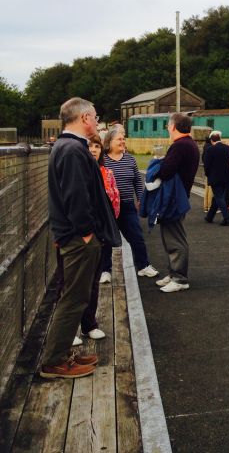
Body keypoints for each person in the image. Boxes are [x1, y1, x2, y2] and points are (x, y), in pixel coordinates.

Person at [40, 97, 120, 379]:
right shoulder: (73, 150)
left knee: (76, 296)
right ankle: (54, 361)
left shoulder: (65, 147)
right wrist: (86, 233)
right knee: (74, 298)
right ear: (85, 118)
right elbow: (76, 197)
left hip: (73, 236)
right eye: (95, 116)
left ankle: (60, 353)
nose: (98, 122)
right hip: (79, 238)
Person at [103, 125, 159, 280]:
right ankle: (105, 270)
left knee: (136, 236)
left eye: (123, 139)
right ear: (109, 142)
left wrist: (140, 198)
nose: (123, 141)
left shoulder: (130, 159)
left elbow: (137, 181)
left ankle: (143, 266)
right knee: (107, 239)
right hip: (108, 207)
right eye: (119, 139)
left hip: (127, 205)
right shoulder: (102, 160)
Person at [153, 113, 200, 293]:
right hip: (179, 195)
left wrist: (157, 166)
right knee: (170, 235)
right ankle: (173, 273)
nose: (167, 128)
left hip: (174, 197)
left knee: (175, 237)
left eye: (168, 125)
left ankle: (180, 278)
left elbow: (166, 170)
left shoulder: (180, 146)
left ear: (173, 126)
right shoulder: (189, 144)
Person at [203, 131, 229, 226]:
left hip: (215, 177)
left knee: (219, 197)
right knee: (217, 197)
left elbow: (207, 165)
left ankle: (227, 218)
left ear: (212, 140)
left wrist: (208, 174)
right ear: (220, 139)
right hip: (226, 176)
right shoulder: (228, 149)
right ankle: (210, 216)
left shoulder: (210, 150)